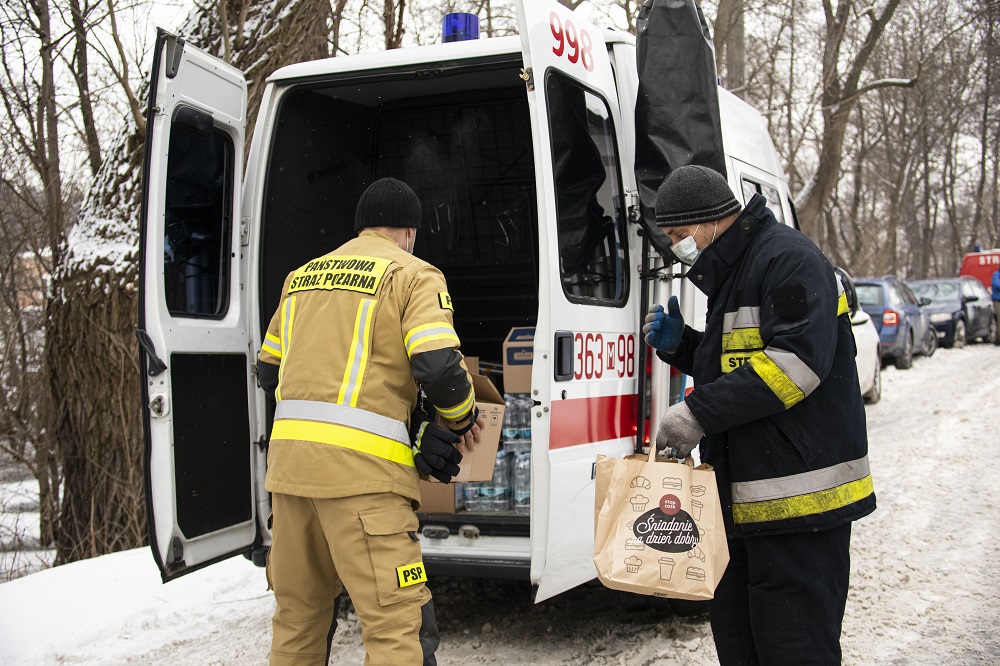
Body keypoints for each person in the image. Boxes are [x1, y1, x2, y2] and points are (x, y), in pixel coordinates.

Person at [643, 165, 876, 666]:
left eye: (680, 235)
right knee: (742, 642)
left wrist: (695, 414)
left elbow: (794, 365)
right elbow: (742, 363)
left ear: (712, 221)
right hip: (745, 505)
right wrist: (684, 347)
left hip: (801, 508)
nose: (677, 247)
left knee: (793, 649)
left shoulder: (788, 260)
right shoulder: (735, 271)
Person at [256, 177, 483, 666]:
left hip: (290, 482)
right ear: (409, 232)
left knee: (297, 621)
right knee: (395, 627)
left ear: (360, 229)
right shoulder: (414, 273)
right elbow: (440, 366)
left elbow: (268, 369)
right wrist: (460, 419)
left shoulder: (301, 278)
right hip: (363, 486)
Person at [992, 267, 1000, 345]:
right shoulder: (996, 275)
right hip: (998, 300)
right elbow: (997, 285)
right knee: (999, 320)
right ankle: (998, 339)